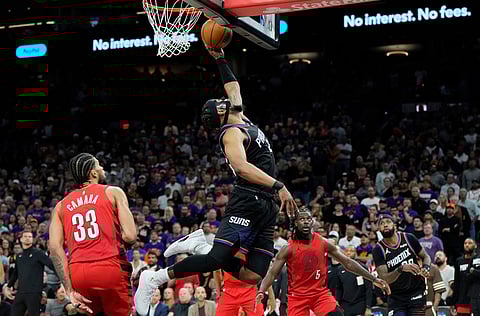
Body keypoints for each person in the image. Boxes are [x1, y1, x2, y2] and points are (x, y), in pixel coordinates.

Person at [135, 46, 297, 315]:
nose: (224, 100)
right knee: (216, 259)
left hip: (265, 205)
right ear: (220, 114)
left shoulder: (241, 118)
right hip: (248, 199)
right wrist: (279, 186)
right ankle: (157, 277)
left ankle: (201, 243)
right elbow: (242, 167)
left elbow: (234, 88)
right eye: (219, 104)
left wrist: (219, 57)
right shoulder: (230, 132)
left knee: (253, 274)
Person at [48, 153, 137, 315]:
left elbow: (54, 248)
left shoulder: (60, 206)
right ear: (93, 173)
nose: (102, 167)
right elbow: (129, 236)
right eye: (99, 165)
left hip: (79, 273)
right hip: (110, 266)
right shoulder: (113, 192)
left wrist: (68, 289)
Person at [257, 208, 390, 316]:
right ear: (295, 223)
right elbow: (272, 274)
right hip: (297, 297)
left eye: (308, 219)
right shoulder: (288, 248)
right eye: (302, 219)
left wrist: (373, 279)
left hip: (320, 295)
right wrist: (261, 291)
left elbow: (348, 262)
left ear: (312, 222)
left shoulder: (322, 242)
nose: (306, 222)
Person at [372, 214, 432, 316]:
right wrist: (401, 269)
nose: (385, 225)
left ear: (394, 225)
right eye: (381, 223)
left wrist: (426, 268)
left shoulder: (409, 238)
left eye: (388, 222)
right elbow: (384, 278)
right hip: (396, 296)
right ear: (379, 229)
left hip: (416, 292)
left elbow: (426, 256)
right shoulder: (378, 249)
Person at [2, 231, 56, 316]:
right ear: (21, 239)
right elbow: (15, 274)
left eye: (30, 237)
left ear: (32, 239)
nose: (28, 238)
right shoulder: (19, 256)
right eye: (26, 236)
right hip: (21, 292)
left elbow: (51, 265)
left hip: (34, 292)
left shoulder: (38, 253)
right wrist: (8, 286)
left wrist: (63, 280)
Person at [335, 246, 373, 316]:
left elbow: (369, 289)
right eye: (347, 251)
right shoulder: (340, 269)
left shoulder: (363, 268)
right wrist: (337, 300)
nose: (349, 253)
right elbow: (339, 288)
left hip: (360, 303)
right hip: (346, 305)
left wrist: (368, 307)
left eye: (351, 251)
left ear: (355, 253)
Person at [450, 238, 480, 316]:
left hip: (476, 297)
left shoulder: (478, 260)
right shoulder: (459, 261)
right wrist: (454, 301)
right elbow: (457, 282)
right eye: (465, 243)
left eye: (470, 243)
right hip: (462, 298)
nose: (467, 245)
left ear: (475, 245)